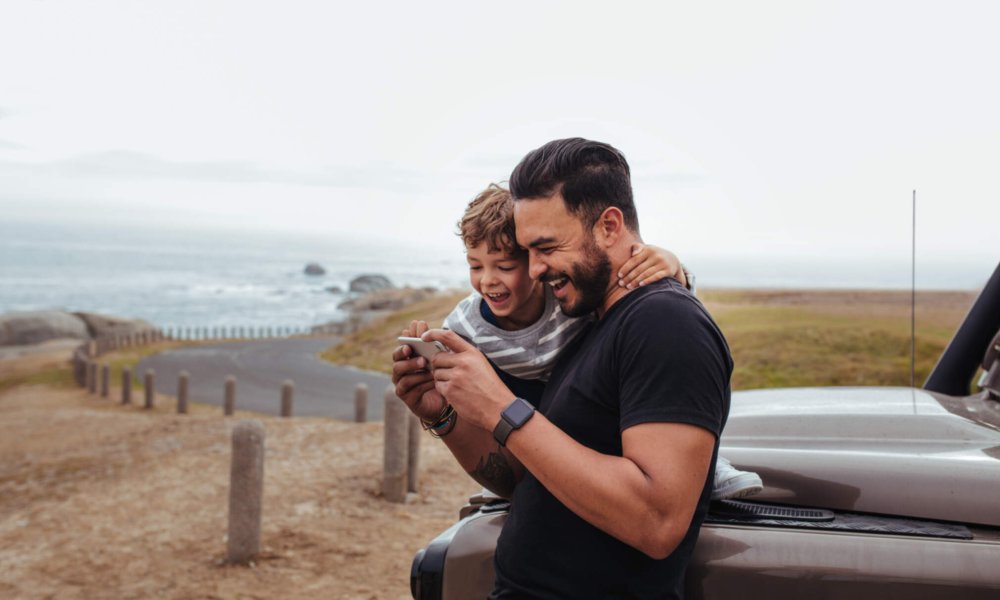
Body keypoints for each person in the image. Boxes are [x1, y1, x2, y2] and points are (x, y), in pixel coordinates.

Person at [393, 138, 734, 598]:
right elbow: (524, 479)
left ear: (609, 226)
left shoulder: (665, 323)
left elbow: (657, 521)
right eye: (527, 252)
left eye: (546, 247)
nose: (534, 270)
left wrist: (501, 407)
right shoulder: (589, 323)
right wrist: (444, 416)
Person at [411, 182, 760, 499]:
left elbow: (657, 305)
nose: (488, 281)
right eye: (475, 267)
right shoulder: (465, 328)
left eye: (504, 267)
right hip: (533, 422)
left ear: (534, 261)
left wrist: (674, 267)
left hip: (597, 414)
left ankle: (707, 470)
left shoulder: (568, 299)